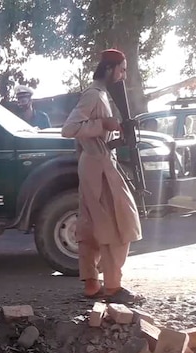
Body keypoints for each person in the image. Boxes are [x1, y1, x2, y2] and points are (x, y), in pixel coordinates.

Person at [61, 49, 142, 304]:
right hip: (99, 167)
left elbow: (92, 135)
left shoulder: (101, 96)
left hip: (95, 163)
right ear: (109, 69)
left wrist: (116, 134)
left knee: (92, 225)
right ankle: (113, 287)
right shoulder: (93, 95)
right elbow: (69, 129)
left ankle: (92, 284)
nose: (124, 75)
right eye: (121, 69)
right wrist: (103, 126)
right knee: (118, 223)